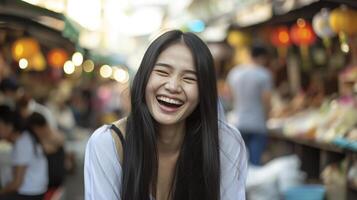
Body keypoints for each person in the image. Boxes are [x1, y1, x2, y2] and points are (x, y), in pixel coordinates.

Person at [84, 30, 248, 200]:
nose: (173, 86)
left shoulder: (225, 143)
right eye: (162, 72)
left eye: (189, 78)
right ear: (144, 78)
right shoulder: (108, 144)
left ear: (204, 92)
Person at [226, 44, 273, 166]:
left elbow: (230, 97)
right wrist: (266, 118)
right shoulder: (264, 74)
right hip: (257, 123)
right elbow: (266, 100)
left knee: (238, 163)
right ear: (262, 57)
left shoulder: (234, 73)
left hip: (237, 122)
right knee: (255, 163)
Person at [0, 105, 48, 200]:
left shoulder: (22, 142)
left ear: (9, 125)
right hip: (35, 191)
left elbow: (16, 184)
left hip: (30, 195)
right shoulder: (25, 137)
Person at [26, 112, 66, 198]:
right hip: (50, 183)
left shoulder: (51, 137)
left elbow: (50, 147)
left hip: (50, 185)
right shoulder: (50, 136)